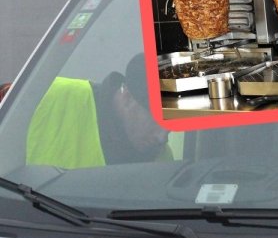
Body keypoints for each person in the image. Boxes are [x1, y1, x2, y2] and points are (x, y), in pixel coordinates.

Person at [26, 54, 170, 168]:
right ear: (127, 97)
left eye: (171, 128)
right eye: (156, 121)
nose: (162, 137)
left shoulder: (165, 161)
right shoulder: (43, 97)